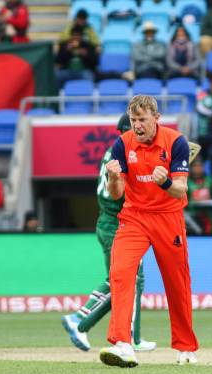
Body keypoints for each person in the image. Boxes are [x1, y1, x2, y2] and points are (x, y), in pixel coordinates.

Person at [99, 95, 198, 367]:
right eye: (133, 120)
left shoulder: (175, 141)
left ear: (156, 118)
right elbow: (115, 193)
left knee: (177, 283)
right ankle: (122, 343)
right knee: (120, 273)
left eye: (142, 120)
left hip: (168, 217)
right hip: (134, 216)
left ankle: (186, 347)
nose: (137, 126)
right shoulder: (122, 144)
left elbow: (181, 191)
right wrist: (114, 176)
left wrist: (165, 181)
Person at [61, 113, 156, 354]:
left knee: (132, 281)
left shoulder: (115, 151)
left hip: (111, 222)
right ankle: (79, 319)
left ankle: (133, 336)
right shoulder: (126, 153)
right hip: (118, 223)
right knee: (123, 280)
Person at [186, 159, 212, 234]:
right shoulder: (187, 181)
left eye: (200, 166)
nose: (198, 168)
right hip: (193, 211)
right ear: (191, 168)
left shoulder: (210, 180)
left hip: (208, 210)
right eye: (195, 166)